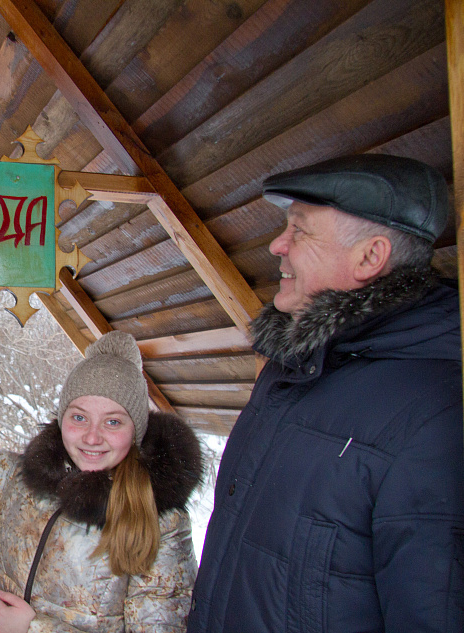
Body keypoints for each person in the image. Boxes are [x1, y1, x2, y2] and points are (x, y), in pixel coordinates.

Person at [186, 154, 464, 633]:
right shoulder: (290, 370)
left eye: (301, 230)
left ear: (370, 257)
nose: (277, 245)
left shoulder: (436, 416)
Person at [0, 293, 203, 633]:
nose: (92, 437)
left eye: (113, 422)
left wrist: (35, 629)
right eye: (79, 417)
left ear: (138, 431)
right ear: (60, 419)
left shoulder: (160, 522)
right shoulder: (23, 482)